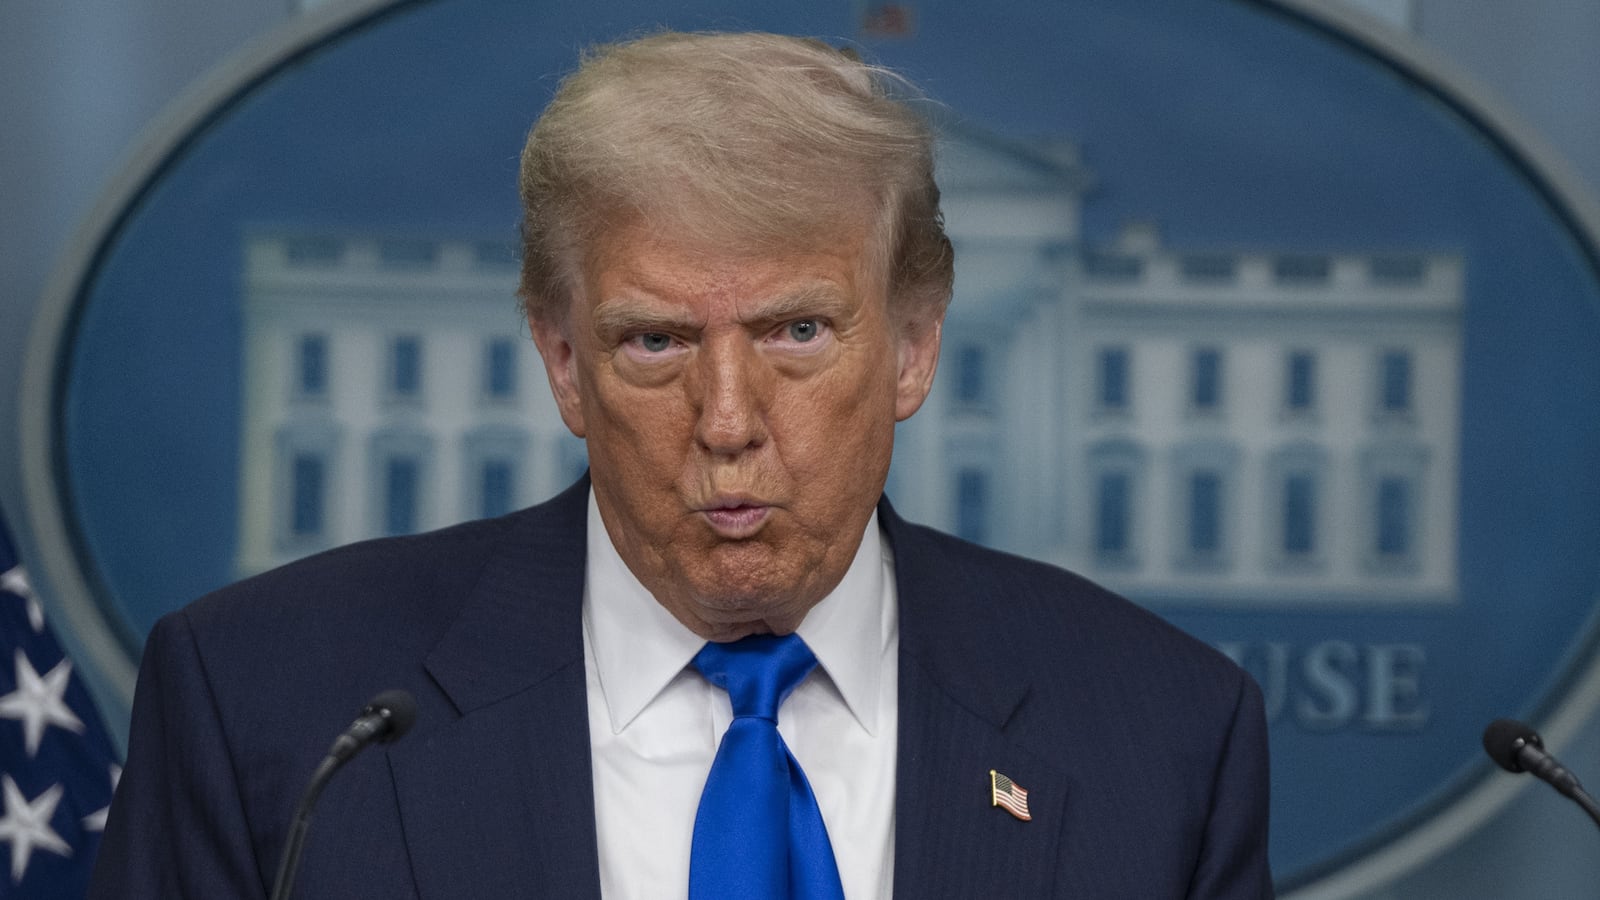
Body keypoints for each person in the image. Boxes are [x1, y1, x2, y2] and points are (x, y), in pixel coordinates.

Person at [89, 31, 1272, 899]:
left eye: (796, 333)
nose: (726, 420)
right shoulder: (272, 710)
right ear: (562, 361)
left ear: (914, 347)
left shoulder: (1160, 736)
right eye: (654, 341)